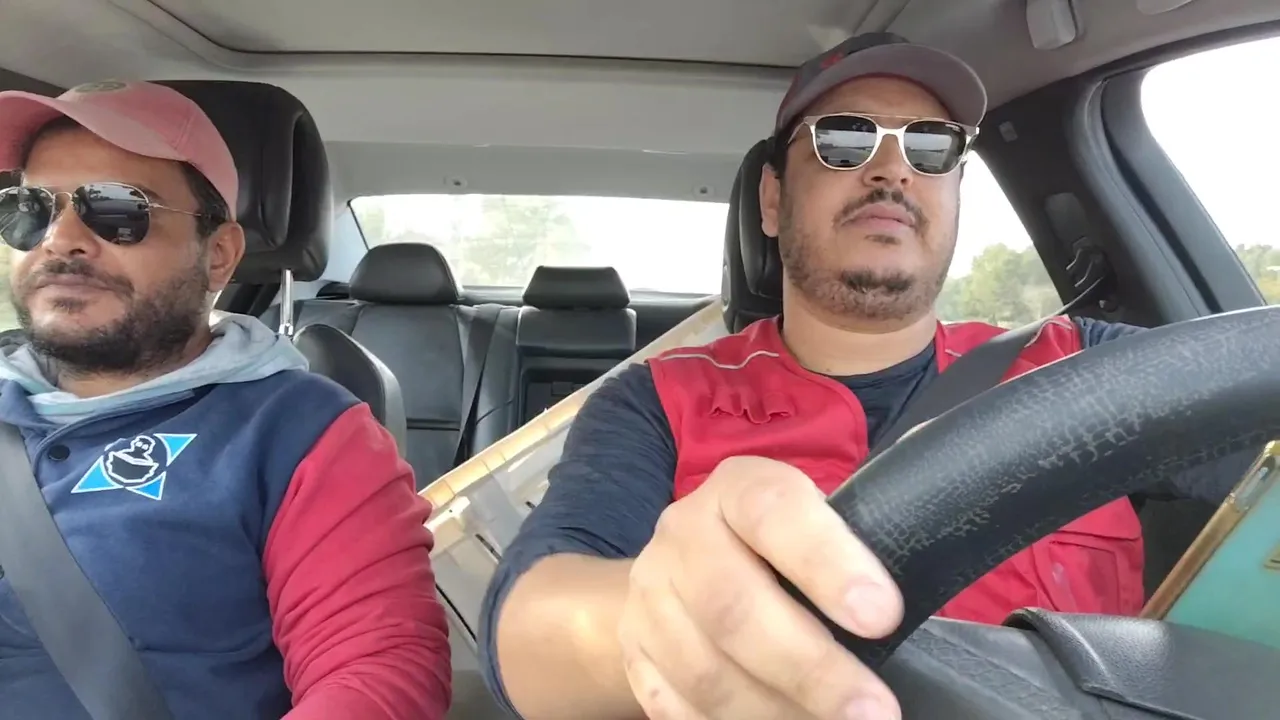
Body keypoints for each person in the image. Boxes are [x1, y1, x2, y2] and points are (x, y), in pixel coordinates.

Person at [478, 32, 1252, 720]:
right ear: (773, 200)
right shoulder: (660, 399)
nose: (892, 168)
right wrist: (654, 622)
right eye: (845, 139)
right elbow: (531, 627)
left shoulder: (1081, 362)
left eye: (932, 147)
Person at [0, 81, 450, 719]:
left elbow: (374, 669)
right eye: (30, 209)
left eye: (117, 209)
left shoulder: (300, 432)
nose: (60, 239)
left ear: (218, 257)